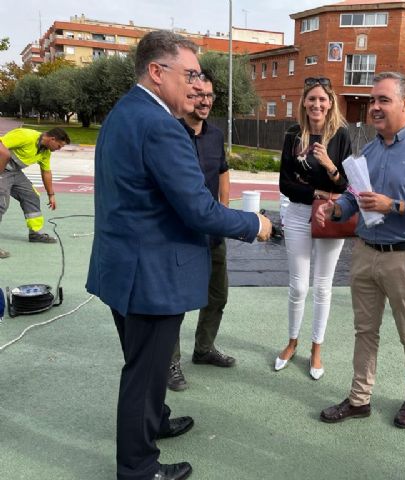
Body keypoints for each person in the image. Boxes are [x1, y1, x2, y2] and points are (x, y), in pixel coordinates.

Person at [86, 30, 271, 480]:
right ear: (156, 71)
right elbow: (199, 209)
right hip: (150, 276)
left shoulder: (123, 112)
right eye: (189, 74)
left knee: (144, 366)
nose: (195, 84)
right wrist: (255, 225)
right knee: (144, 373)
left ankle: (155, 422)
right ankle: (138, 468)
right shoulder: (161, 126)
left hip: (122, 268)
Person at [317, 72, 405, 428]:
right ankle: (359, 399)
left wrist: (393, 206)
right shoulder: (370, 149)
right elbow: (354, 194)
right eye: (372, 100)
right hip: (365, 252)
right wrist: (337, 208)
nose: (374, 107)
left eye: (383, 100)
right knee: (365, 330)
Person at [275, 76, 352, 380]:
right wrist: (317, 192)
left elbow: (346, 184)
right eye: (312, 99)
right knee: (298, 286)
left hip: (330, 214)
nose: (317, 104)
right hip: (297, 213)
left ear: (330, 103)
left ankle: (316, 348)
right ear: (304, 103)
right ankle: (292, 341)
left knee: (322, 286)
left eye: (322, 99)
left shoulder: (341, 136)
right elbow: (285, 184)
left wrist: (330, 166)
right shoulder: (294, 135)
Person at [167, 71, 236, 392]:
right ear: (186, 96)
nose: (205, 101)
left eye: (209, 96)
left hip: (212, 231)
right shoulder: (169, 133)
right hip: (180, 234)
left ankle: (204, 349)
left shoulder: (215, 135)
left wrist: (224, 211)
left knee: (218, 295)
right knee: (177, 302)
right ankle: (170, 362)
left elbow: (222, 171)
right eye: (198, 95)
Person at [0, 127, 70, 258]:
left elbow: (46, 172)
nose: (59, 149)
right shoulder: (25, 135)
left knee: (31, 196)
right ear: (52, 139)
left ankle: (35, 233)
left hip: (14, 172)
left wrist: (51, 195)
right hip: (1, 169)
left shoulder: (45, 152)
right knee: (1, 203)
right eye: (59, 146)